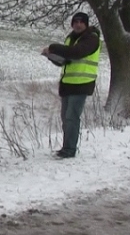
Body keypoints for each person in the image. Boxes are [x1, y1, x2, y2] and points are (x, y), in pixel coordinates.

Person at [40, 12, 101, 159]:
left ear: (86, 24)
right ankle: (66, 147)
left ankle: (69, 150)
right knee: (65, 118)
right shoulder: (70, 38)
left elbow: (77, 53)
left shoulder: (92, 38)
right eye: (75, 22)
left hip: (82, 83)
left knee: (71, 117)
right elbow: (65, 61)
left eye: (81, 22)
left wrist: (54, 47)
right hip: (67, 84)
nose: (78, 25)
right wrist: (51, 56)